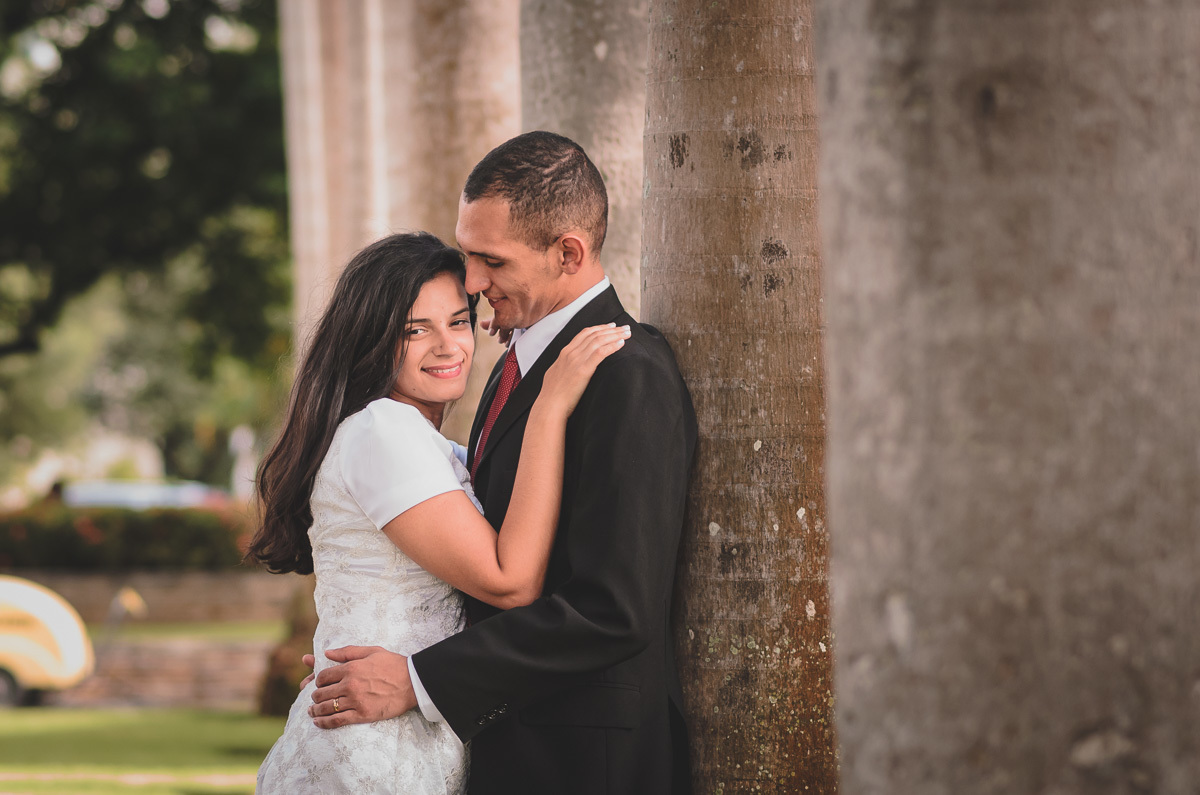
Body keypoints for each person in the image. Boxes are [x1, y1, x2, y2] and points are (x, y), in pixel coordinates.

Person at [307, 131, 698, 794]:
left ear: (568, 252)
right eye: (468, 254)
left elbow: (614, 606)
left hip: (584, 765)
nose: (473, 281)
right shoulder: (515, 364)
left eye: (491, 260)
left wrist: (420, 678)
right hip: (502, 751)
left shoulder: (626, 373)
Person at [249, 231, 629, 793]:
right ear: (372, 340)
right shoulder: (385, 430)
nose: (448, 346)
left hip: (408, 727)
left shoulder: (414, 439)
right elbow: (510, 581)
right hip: (374, 749)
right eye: (415, 330)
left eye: (457, 321)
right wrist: (549, 404)